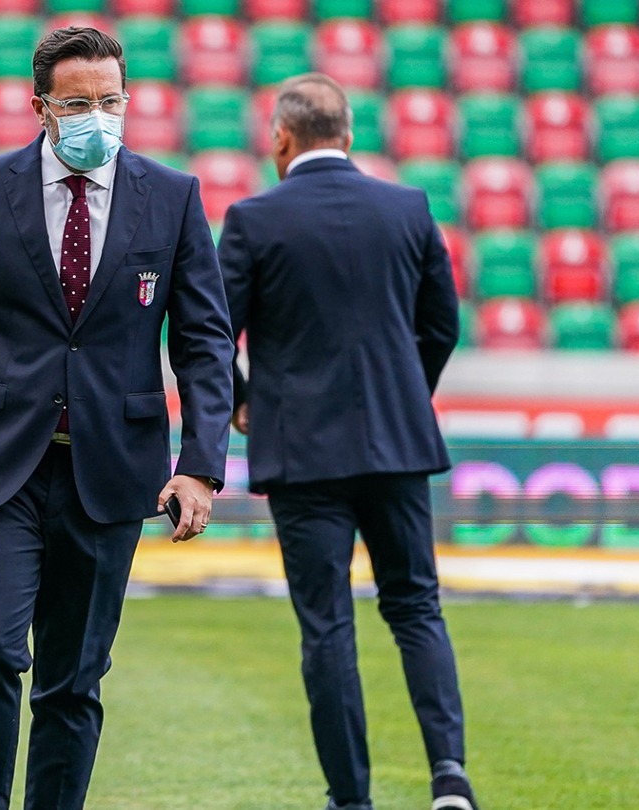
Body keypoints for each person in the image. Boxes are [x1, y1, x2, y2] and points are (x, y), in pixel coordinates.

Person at [0, 26, 235, 810]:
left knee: (74, 679)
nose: (96, 117)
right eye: (78, 104)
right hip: (1, 464)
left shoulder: (173, 197)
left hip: (113, 468)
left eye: (110, 102)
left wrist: (200, 465)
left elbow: (204, 342)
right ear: (40, 106)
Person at [218, 74, 477, 810]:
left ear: (280, 138)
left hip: (301, 453)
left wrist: (242, 401)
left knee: (326, 627)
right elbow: (442, 325)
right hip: (398, 445)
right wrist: (404, 394)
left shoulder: (253, 219)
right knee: (416, 608)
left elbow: (212, 332)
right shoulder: (408, 208)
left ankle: (351, 799)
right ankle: (449, 776)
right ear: (349, 135)